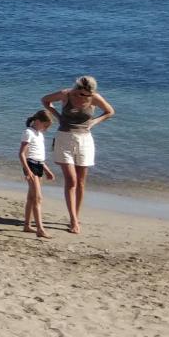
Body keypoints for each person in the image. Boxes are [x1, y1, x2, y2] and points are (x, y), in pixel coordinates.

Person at [42, 76, 115, 234]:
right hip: (64, 139)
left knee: (81, 182)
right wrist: (58, 116)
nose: (84, 97)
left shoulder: (94, 97)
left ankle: (76, 215)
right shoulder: (66, 94)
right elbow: (45, 100)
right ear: (77, 89)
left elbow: (110, 112)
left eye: (87, 95)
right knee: (71, 180)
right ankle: (73, 220)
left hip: (85, 141)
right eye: (81, 94)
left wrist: (94, 122)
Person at [19, 110, 58, 238]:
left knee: (31, 197)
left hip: (39, 165)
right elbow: (22, 154)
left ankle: (27, 225)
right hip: (31, 165)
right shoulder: (28, 132)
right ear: (38, 121)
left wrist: (47, 170)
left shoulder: (39, 134)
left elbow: (39, 157)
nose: (46, 129)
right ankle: (40, 229)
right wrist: (28, 170)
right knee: (38, 198)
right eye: (45, 125)